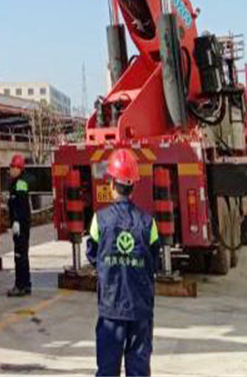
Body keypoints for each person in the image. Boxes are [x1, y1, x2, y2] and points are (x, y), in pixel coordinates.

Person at [86, 148, 160, 377]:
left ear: (111, 185)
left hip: (111, 309)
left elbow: (92, 255)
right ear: (134, 187)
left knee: (107, 370)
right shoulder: (149, 223)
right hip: (140, 309)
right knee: (138, 370)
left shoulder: (99, 221)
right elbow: (154, 260)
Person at [7, 153, 32, 296]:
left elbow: (21, 204)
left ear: (19, 168)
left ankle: (20, 285)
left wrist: (16, 221)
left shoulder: (20, 183)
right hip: (21, 223)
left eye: (12, 167)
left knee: (19, 255)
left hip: (20, 224)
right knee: (23, 254)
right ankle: (26, 284)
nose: (10, 170)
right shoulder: (16, 182)